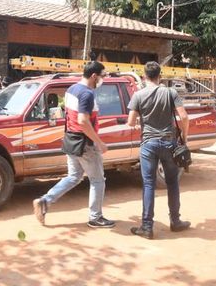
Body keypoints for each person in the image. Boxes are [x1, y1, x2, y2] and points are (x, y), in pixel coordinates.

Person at [32, 61, 115, 229]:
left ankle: (44, 201)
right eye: (102, 75)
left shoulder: (71, 89)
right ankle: (95, 217)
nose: (103, 79)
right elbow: (83, 121)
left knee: (74, 177)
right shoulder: (87, 94)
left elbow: (69, 116)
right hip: (85, 143)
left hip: (71, 140)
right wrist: (99, 142)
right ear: (94, 76)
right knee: (98, 180)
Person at [127, 61, 191, 239]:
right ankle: (175, 222)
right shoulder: (170, 92)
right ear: (160, 76)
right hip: (169, 143)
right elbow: (184, 117)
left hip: (148, 145)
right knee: (172, 183)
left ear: (144, 77)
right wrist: (184, 138)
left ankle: (147, 227)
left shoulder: (138, 95)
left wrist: (142, 118)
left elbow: (131, 122)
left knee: (148, 184)